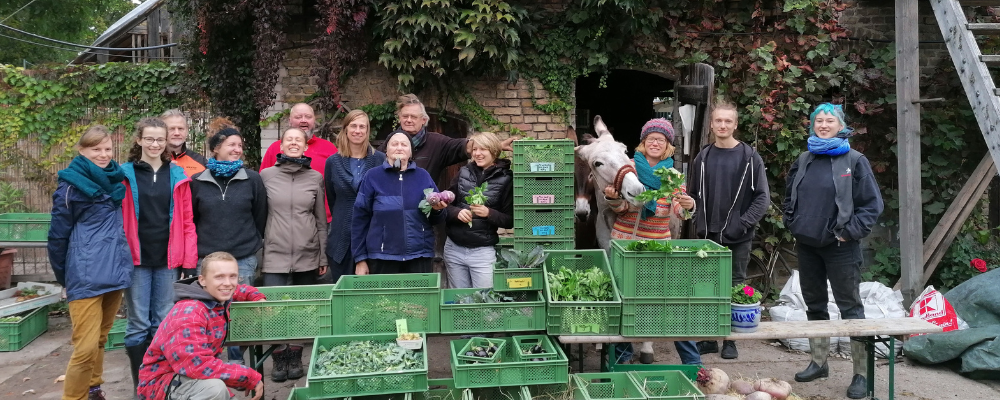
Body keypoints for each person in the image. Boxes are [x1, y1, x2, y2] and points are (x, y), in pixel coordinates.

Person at [783, 103, 883, 399]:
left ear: (841, 126)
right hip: (808, 244)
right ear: (813, 125)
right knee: (814, 305)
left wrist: (848, 233)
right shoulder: (804, 159)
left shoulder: (854, 160)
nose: (823, 125)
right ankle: (819, 362)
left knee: (851, 308)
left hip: (841, 247)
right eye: (819, 121)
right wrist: (793, 223)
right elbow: (790, 196)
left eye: (829, 121)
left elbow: (872, 205)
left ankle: (862, 374)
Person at [603, 118, 700, 366]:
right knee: (622, 300)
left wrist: (688, 205)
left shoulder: (672, 175)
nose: (655, 143)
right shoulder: (628, 168)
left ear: (668, 145)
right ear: (643, 142)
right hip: (626, 243)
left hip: (657, 246)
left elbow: (679, 212)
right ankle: (622, 356)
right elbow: (621, 208)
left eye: (661, 139)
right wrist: (613, 199)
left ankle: (685, 360)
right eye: (650, 138)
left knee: (665, 300)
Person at [677, 102, 769, 360]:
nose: (723, 125)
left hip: (738, 236)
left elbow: (762, 198)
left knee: (734, 285)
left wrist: (742, 224)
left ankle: (731, 340)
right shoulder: (703, 157)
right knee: (707, 287)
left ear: (735, 125)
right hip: (708, 236)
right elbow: (693, 196)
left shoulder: (750, 157)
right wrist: (694, 211)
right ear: (712, 124)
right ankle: (709, 338)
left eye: (728, 121)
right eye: (718, 120)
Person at [48, 125, 133, 400]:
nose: (103, 155)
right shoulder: (71, 186)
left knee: (101, 338)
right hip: (84, 275)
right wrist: (64, 277)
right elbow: (57, 237)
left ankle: (94, 390)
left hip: (114, 270)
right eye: (96, 149)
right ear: (82, 150)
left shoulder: (115, 180)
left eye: (108, 149)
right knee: (84, 349)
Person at [121, 118, 198, 395]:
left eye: (160, 140)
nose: (155, 144)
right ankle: (141, 387)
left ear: (167, 143)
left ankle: (160, 384)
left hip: (168, 259)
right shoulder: (124, 174)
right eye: (149, 139)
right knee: (138, 323)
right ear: (139, 140)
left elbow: (187, 221)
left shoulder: (177, 175)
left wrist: (189, 261)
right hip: (136, 258)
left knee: (164, 321)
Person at [137, 252, 266, 400]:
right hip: (161, 386)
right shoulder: (189, 313)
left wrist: (256, 296)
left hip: (187, 380)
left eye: (233, 276)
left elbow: (237, 289)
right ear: (202, 280)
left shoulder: (214, 294)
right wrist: (248, 376)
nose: (227, 283)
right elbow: (196, 366)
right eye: (219, 277)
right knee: (215, 390)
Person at [190, 127, 268, 364]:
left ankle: (236, 363)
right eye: (231, 145)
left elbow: (260, 215)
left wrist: (249, 242)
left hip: (242, 258)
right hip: (207, 260)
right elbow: (192, 219)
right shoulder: (197, 181)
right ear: (216, 148)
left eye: (240, 145)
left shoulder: (252, 179)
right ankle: (209, 362)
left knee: (240, 316)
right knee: (207, 313)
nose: (237, 150)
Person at [260, 127, 328, 382]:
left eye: (298, 140)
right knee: (274, 309)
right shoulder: (266, 175)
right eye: (289, 139)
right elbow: (260, 215)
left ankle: (296, 357)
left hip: (307, 252)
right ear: (281, 146)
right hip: (275, 252)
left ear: (305, 146)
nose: (293, 143)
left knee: (302, 309)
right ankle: (279, 358)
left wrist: (322, 255)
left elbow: (320, 220)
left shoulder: (315, 177)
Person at [352, 132, 444, 274]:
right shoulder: (373, 177)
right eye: (394, 144)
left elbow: (436, 219)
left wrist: (437, 210)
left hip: (419, 255)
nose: (399, 148)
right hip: (382, 256)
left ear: (411, 152)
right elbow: (360, 218)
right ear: (386, 150)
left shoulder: (423, 176)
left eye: (404, 144)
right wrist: (360, 259)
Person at [442, 132, 513, 288]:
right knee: (459, 298)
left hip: (482, 252)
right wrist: (456, 213)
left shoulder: (506, 179)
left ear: (493, 151)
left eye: (483, 149)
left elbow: (509, 220)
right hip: (454, 248)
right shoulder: (463, 172)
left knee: (484, 299)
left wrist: (489, 213)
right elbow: (445, 205)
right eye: (474, 149)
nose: (477, 153)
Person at [324, 110, 386, 283]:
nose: (357, 131)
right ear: (345, 129)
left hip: (372, 236)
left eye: (362, 127)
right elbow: (332, 198)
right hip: (341, 238)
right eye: (353, 126)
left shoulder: (379, 160)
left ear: (367, 131)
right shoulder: (333, 162)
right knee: (343, 291)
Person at [260, 103, 338, 222]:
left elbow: (339, 184)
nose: (303, 120)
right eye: (298, 117)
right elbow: (262, 187)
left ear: (314, 120)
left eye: (308, 116)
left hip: (324, 220)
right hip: (283, 222)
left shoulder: (329, 148)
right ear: (290, 121)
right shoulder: (275, 148)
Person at [161, 109, 207, 177]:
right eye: (172, 129)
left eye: (180, 129)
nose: (177, 133)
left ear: (187, 131)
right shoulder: (153, 160)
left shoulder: (200, 162)